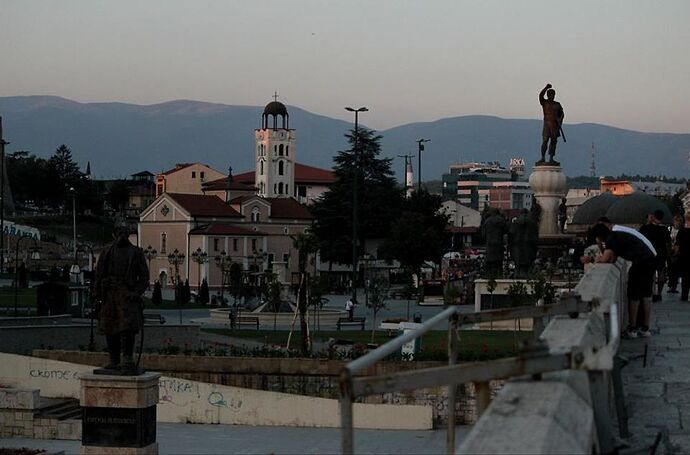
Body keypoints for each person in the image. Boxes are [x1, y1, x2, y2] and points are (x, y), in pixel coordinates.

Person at [93, 225, 149, 373]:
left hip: (127, 294)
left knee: (127, 327)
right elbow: (98, 275)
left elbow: (144, 277)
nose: (122, 236)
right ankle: (114, 360)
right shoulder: (106, 252)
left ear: (129, 235)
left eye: (125, 233)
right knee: (109, 326)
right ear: (114, 234)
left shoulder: (136, 253)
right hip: (109, 294)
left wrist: (136, 293)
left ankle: (128, 359)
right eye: (120, 233)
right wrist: (96, 295)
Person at [592, 222, 656, 338]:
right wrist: (602, 247)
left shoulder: (612, 239)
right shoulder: (616, 236)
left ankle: (632, 329)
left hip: (640, 262)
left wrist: (597, 249)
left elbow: (605, 259)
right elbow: (612, 259)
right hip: (649, 260)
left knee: (634, 295)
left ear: (599, 236)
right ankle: (645, 328)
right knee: (646, 295)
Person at [639, 210, 671, 302]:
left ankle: (652, 292)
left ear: (653, 217)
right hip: (661, 255)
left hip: (649, 254)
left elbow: (641, 242)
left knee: (650, 275)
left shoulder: (645, 228)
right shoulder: (664, 229)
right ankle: (659, 293)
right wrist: (669, 254)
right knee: (661, 273)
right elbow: (668, 244)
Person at [538, 83, 565, 164]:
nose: (552, 96)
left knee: (553, 142)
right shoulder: (545, 103)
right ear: (548, 95)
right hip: (547, 125)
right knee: (545, 141)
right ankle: (542, 157)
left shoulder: (557, 104)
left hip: (555, 126)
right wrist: (546, 88)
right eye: (550, 94)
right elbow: (540, 95)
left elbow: (562, 114)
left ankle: (551, 158)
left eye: (553, 94)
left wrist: (559, 120)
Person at [675, 213, 690, 302]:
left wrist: (675, 254)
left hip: (684, 257)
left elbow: (677, 246)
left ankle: (684, 295)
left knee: (685, 277)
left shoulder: (682, 231)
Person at [667, 214, 683, 293]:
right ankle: (670, 285)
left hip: (678, 252)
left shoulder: (682, 230)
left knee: (676, 270)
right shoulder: (669, 229)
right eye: (676, 221)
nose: (677, 223)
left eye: (679, 221)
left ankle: (674, 286)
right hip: (670, 251)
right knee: (670, 269)